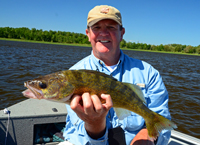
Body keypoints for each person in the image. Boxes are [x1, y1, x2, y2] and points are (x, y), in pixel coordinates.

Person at [63, 5, 172, 145]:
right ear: (88, 34)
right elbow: (77, 132)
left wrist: (148, 137)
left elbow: (161, 121)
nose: (103, 33)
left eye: (111, 27)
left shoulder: (149, 73)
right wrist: (94, 125)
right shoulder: (73, 76)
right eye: (96, 27)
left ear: (122, 33)